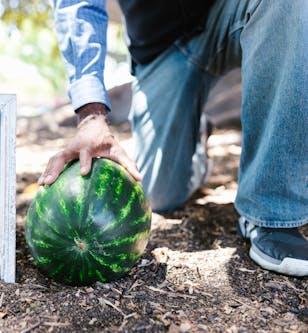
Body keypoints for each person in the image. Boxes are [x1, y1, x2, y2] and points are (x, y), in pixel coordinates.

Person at [37, 0, 308, 277]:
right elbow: (79, 6)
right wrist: (91, 115)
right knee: (157, 195)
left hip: (227, 11)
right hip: (160, 48)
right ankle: (196, 144)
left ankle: (271, 215)